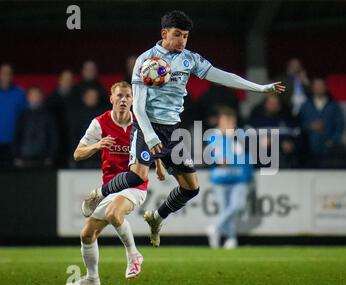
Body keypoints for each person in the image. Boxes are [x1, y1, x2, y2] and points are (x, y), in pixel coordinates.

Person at [81, 10, 285, 248]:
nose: (182, 41)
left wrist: (260, 89)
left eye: (186, 36)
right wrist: (149, 135)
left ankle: (157, 217)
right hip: (147, 126)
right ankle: (99, 193)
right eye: (177, 35)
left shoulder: (190, 59)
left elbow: (222, 76)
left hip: (172, 131)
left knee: (191, 188)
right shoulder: (146, 61)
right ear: (164, 33)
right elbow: (138, 106)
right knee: (137, 175)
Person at [66, 82, 148, 285]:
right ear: (111, 99)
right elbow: (77, 154)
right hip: (111, 188)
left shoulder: (140, 123)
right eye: (119, 96)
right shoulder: (100, 123)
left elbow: (152, 148)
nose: (124, 100)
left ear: (132, 100)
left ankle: (134, 255)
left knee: (113, 213)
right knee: (86, 234)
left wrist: (162, 168)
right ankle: (92, 278)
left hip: (135, 184)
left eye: (128, 96)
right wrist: (97, 145)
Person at [206, 107, 254, 249]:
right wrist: (219, 159)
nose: (229, 123)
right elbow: (213, 154)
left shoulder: (239, 134)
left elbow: (244, 152)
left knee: (237, 205)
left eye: (231, 120)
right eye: (226, 120)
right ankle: (231, 239)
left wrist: (232, 136)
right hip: (220, 178)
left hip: (239, 176)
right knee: (225, 209)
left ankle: (215, 227)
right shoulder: (212, 135)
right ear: (219, 121)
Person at [298, 78, 345, 164]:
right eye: (316, 86)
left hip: (329, 151)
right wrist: (310, 126)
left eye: (321, 86)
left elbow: (340, 125)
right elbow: (299, 124)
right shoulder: (305, 105)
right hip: (309, 150)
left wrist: (332, 141)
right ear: (312, 88)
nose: (319, 88)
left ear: (326, 88)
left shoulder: (333, 106)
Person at [13, 86, 59, 168]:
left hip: (43, 158)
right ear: (28, 97)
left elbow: (53, 137)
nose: (35, 98)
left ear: (42, 97)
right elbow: (17, 136)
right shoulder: (22, 116)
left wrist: (51, 156)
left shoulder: (49, 116)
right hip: (24, 158)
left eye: (37, 95)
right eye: (33, 95)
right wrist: (16, 156)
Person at [46, 69, 75, 168]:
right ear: (60, 80)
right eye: (65, 79)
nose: (67, 82)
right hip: (54, 139)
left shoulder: (76, 98)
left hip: (71, 139)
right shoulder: (51, 99)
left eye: (70, 79)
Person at [0, 63, 27, 167]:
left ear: (12, 76)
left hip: (13, 143)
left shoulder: (19, 93)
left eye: (8, 73)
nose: (6, 76)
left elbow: (25, 117)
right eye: (3, 73)